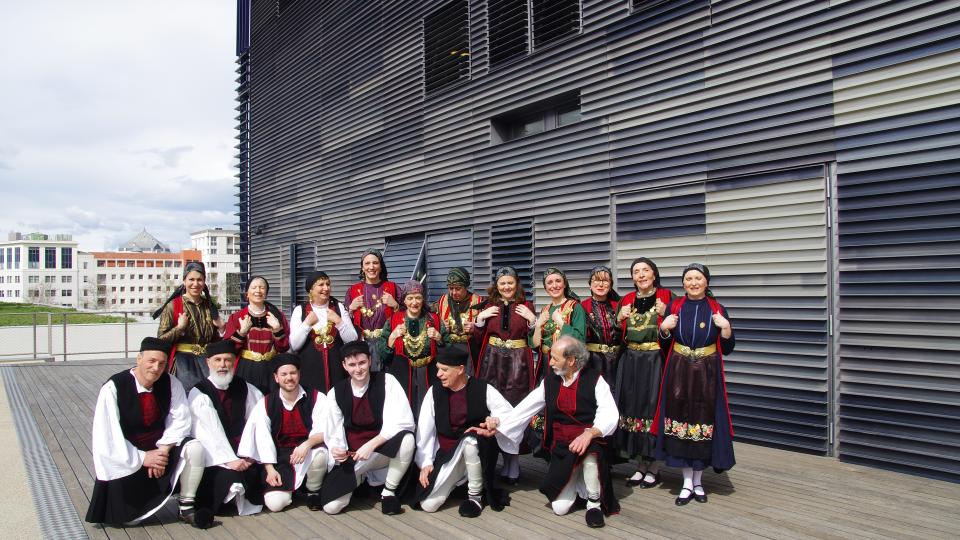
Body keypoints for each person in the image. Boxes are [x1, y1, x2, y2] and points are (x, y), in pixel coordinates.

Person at [486, 336, 619, 528]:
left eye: (555, 358)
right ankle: (577, 481)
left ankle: (594, 503)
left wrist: (590, 433)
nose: (551, 362)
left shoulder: (595, 380)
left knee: (591, 453)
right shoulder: (550, 382)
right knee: (559, 508)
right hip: (563, 448)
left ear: (572, 360)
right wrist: (498, 424)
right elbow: (525, 408)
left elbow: (609, 413)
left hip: (587, 442)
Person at [85, 337, 211, 528]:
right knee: (128, 522)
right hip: (128, 456)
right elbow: (108, 436)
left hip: (160, 450)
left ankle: (186, 507)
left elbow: (180, 419)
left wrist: (162, 452)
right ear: (139, 359)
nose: (156, 368)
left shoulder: (171, 382)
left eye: (161, 363)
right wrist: (144, 457)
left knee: (194, 448)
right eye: (151, 361)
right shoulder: (114, 388)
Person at [655, 263, 735, 505]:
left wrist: (726, 328)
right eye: (688, 278)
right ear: (683, 283)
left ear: (706, 282)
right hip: (678, 371)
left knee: (703, 422)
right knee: (680, 421)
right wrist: (664, 329)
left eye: (698, 278)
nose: (693, 282)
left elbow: (728, 349)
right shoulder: (675, 306)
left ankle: (699, 481)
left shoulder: (718, 309)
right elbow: (664, 345)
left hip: (706, 373)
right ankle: (686, 482)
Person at [415, 346, 514, 517]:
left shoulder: (483, 389)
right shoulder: (434, 391)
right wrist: (425, 463)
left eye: (444, 370)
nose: (438, 374)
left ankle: (475, 496)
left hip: (477, 451)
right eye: (438, 369)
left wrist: (495, 421)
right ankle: (458, 481)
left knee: (469, 441)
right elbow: (425, 431)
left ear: (460, 369)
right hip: (447, 455)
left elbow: (508, 414)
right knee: (428, 505)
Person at [319, 341, 416, 515]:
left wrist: (371, 445)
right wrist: (336, 449)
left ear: (370, 360)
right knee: (331, 507)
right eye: (352, 365)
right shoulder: (336, 392)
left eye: (362, 363)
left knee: (407, 440)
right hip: (354, 455)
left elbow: (402, 421)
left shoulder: (387, 381)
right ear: (344, 366)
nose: (358, 369)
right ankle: (361, 478)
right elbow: (332, 430)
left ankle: (388, 492)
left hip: (381, 451)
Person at [237, 354, 328, 512]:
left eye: (293, 373)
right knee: (275, 504)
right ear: (276, 377)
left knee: (320, 456)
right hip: (280, 458)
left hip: (307, 452)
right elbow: (262, 439)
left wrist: (306, 444)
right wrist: (270, 469)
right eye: (284, 374)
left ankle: (313, 490)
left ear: (299, 374)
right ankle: (293, 490)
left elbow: (326, 430)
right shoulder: (266, 403)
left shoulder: (317, 397)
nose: (289, 378)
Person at [472, 266, 537, 484]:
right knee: (491, 408)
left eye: (510, 283)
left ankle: (513, 462)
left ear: (516, 284)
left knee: (514, 409)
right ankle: (492, 460)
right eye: (502, 283)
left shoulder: (526, 306)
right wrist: (480, 320)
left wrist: (533, 321)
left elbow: (534, 339)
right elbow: (477, 338)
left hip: (518, 364)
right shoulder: (489, 306)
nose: (507, 287)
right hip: (492, 362)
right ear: (496, 286)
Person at [186, 340, 265, 517]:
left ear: (234, 361)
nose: (223, 365)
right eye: (218, 360)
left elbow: (257, 422)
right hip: (216, 457)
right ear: (208, 362)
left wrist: (250, 454)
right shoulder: (199, 393)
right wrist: (230, 460)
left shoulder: (246, 387)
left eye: (228, 360)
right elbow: (209, 434)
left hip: (244, 452)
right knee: (229, 479)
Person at [615, 257, 674, 488]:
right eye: (636, 272)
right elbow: (616, 333)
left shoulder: (668, 297)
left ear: (654, 274)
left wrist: (667, 312)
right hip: (631, 359)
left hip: (655, 359)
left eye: (645, 270)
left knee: (653, 407)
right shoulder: (627, 300)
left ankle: (655, 466)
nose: (641, 275)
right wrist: (619, 319)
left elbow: (678, 327)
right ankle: (640, 465)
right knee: (633, 408)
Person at [379, 279, 445, 417]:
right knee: (404, 409)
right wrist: (392, 338)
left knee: (427, 410)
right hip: (402, 372)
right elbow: (383, 356)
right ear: (404, 300)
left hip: (428, 372)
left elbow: (447, 349)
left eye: (418, 298)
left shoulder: (435, 319)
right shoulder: (393, 320)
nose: (414, 302)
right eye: (410, 298)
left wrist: (439, 338)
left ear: (423, 299)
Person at [155, 261, 223, 391]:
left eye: (200, 280)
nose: (195, 284)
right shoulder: (173, 306)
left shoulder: (210, 306)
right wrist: (179, 328)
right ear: (184, 281)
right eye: (191, 279)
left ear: (204, 282)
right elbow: (160, 340)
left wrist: (221, 329)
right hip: (183, 365)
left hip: (207, 363)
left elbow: (215, 340)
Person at [290, 271, 358, 392]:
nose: (326, 288)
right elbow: (294, 345)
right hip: (309, 371)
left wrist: (338, 321)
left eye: (328, 284)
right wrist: (307, 324)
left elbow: (352, 339)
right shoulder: (300, 310)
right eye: (321, 285)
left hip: (337, 371)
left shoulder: (338, 307)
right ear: (310, 289)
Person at [223, 276, 290, 394]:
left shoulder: (277, 316)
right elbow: (228, 348)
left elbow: (284, 347)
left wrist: (277, 329)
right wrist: (242, 332)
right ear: (247, 294)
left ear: (266, 293)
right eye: (254, 287)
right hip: (246, 367)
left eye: (262, 287)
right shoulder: (236, 317)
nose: (258, 291)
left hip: (270, 368)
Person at [345, 249, 400, 372]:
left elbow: (406, 317)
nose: (371, 267)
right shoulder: (352, 291)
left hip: (387, 344)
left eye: (375, 263)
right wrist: (351, 308)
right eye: (367, 263)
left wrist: (395, 305)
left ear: (380, 266)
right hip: (362, 346)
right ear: (362, 268)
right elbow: (345, 324)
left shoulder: (393, 288)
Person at [532, 267, 587, 378]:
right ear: (546, 288)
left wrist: (561, 322)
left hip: (566, 364)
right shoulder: (545, 310)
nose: (554, 285)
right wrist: (538, 326)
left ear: (565, 284)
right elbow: (536, 345)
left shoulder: (575, 307)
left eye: (558, 281)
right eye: (549, 282)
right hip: (545, 363)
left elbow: (580, 339)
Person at [432, 267, 484, 373]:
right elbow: (427, 320)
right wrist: (441, 327)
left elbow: (487, 330)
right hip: (447, 349)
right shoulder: (442, 301)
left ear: (466, 286)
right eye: (450, 288)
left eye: (458, 288)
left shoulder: (478, 302)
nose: (453, 292)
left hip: (469, 350)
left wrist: (475, 329)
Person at [580, 265, 622, 378]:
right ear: (590, 284)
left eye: (605, 280)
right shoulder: (582, 307)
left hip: (617, 360)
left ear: (611, 285)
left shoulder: (619, 305)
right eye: (596, 280)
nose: (601, 284)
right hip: (593, 361)